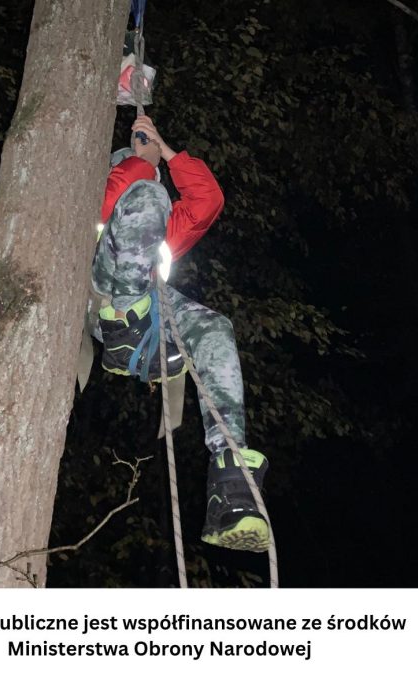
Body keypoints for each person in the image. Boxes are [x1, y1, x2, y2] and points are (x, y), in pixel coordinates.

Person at [90, 115, 270, 552]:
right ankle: (123, 324)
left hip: (150, 307)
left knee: (214, 328)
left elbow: (208, 201)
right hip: (99, 293)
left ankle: (231, 482)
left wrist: (166, 151)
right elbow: (118, 197)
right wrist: (142, 163)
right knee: (148, 195)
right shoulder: (109, 194)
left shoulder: (160, 223)